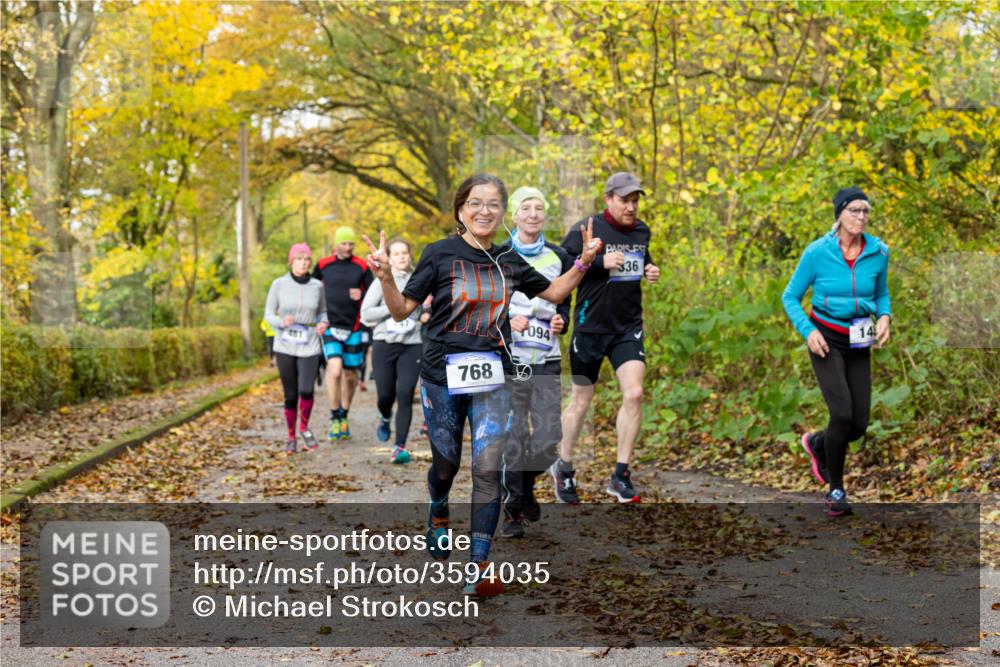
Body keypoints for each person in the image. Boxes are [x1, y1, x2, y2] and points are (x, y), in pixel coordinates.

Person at [362, 173, 602, 597]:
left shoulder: (508, 259)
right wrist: (383, 277)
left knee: (487, 466)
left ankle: (479, 564)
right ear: (461, 210)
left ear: (501, 213)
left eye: (493, 204)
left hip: (494, 373)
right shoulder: (439, 254)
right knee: (447, 463)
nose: (485, 211)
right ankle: (438, 508)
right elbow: (401, 312)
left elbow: (553, 290)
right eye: (476, 203)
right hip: (441, 374)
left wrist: (582, 261)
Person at [782, 186, 891, 517]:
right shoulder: (817, 252)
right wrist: (808, 331)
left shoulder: (879, 252)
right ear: (840, 214)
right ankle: (836, 489)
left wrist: (885, 315)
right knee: (841, 413)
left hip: (859, 336)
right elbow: (790, 297)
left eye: (865, 211)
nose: (861, 217)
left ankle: (818, 444)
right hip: (825, 337)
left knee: (857, 424)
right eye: (854, 210)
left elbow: (882, 293)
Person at [556, 172, 660, 504]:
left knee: (635, 393)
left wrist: (650, 269)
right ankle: (565, 466)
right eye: (625, 200)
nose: (631, 207)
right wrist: (599, 261)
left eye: (635, 201)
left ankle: (620, 474)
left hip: (626, 328)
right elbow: (562, 270)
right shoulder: (585, 229)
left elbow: (642, 259)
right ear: (608, 200)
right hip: (589, 328)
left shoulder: (642, 231)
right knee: (581, 401)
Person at [498, 186, 573, 538]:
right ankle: (511, 510)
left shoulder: (559, 255)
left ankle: (524, 487)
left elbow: (565, 299)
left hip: (546, 359)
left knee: (547, 439)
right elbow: (487, 302)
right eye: (525, 208)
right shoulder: (498, 256)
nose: (532, 214)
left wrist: (561, 319)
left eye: (538, 208)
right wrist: (505, 321)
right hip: (510, 361)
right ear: (513, 215)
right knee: (514, 436)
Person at [360, 237, 429, 464]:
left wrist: (424, 311)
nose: (401, 257)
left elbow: (421, 314)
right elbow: (366, 314)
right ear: (388, 257)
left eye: (405, 252)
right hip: (384, 345)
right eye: (396, 253)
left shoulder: (418, 280)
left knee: (405, 394)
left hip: (411, 345)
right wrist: (393, 308)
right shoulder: (380, 281)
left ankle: (399, 446)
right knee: (385, 396)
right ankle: (385, 416)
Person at [263, 243, 329, 454]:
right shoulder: (278, 284)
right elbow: (268, 315)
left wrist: (323, 324)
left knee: (306, 389)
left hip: (309, 345)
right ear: (291, 261)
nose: (303, 263)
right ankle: (291, 436)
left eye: (306, 259)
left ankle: (304, 427)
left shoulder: (318, 286)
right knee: (291, 395)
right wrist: (282, 321)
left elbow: (323, 313)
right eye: (299, 259)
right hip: (285, 345)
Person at [313, 226, 373, 441]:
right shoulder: (322, 265)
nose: (347, 248)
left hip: (354, 327)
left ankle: (344, 415)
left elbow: (374, 292)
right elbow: (311, 289)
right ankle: (334, 415)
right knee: (335, 370)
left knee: (350, 375)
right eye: (343, 243)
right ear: (335, 245)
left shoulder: (361, 266)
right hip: (329, 325)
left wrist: (362, 293)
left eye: (350, 244)